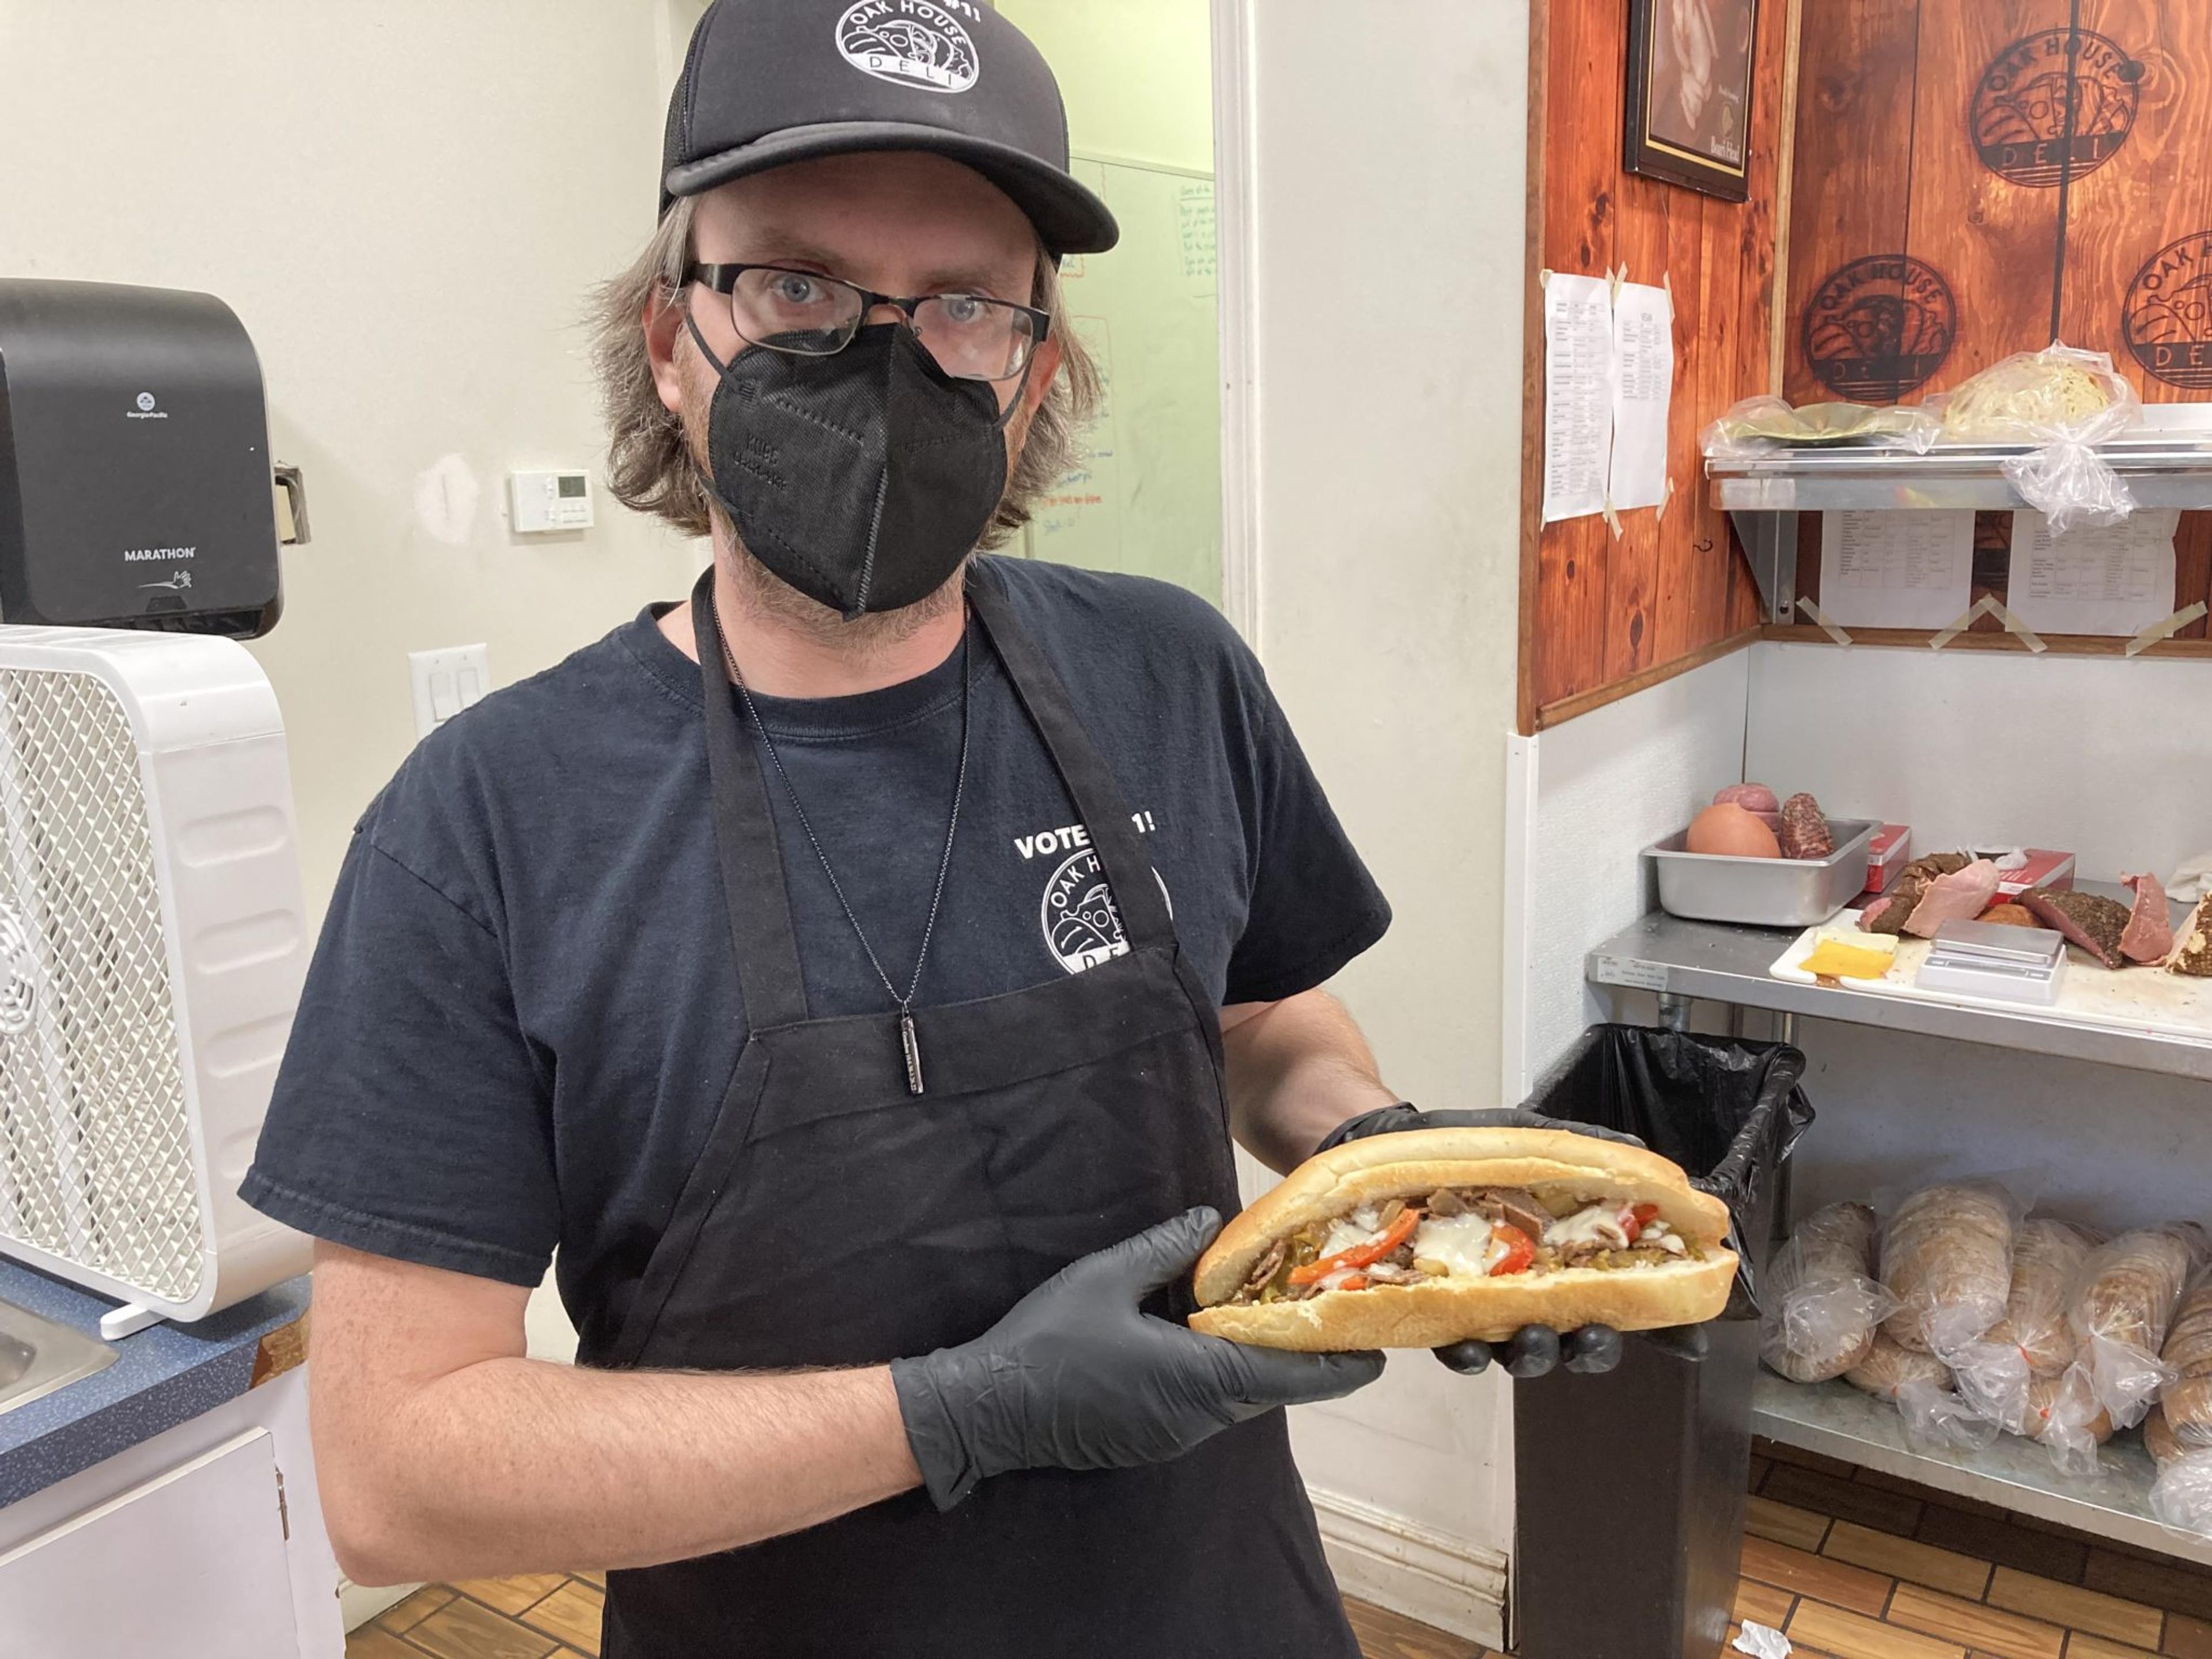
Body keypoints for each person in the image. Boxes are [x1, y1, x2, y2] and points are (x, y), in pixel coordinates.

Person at [242, 4, 1622, 1653]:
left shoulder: (1168, 669)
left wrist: (1376, 1164)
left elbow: (1258, 1014)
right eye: (799, 286)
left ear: (1035, 368)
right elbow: (397, 1471)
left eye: (963, 303)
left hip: (1222, 1606)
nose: (885, 359)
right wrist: (956, 1413)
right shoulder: (483, 827)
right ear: (670, 337)